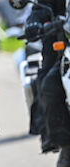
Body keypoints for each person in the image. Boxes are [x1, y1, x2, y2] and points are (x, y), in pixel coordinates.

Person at [24, 0, 70, 166]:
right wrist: (33, 22)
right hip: (62, 42)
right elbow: (41, 8)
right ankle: (64, 143)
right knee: (49, 83)